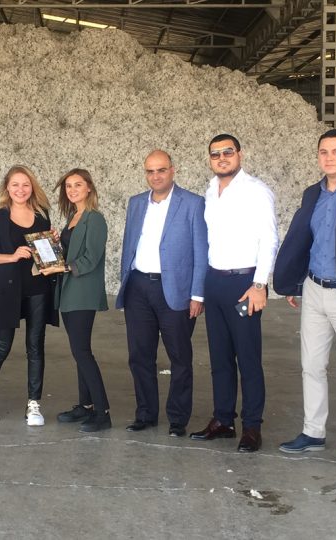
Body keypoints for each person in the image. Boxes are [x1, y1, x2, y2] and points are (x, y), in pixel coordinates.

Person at [274, 129, 336, 468]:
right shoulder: (312, 193)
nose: (329, 157)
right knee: (311, 365)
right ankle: (313, 432)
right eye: (324, 151)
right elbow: (302, 240)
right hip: (313, 289)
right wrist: (295, 282)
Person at [189, 134, 278, 453]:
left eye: (228, 152)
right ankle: (223, 420)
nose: (222, 158)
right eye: (215, 154)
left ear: (240, 154)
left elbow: (269, 239)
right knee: (220, 357)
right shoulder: (210, 190)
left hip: (244, 285)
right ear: (210, 159)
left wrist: (259, 284)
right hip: (215, 283)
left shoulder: (256, 190)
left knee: (248, 358)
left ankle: (252, 426)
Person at [115, 150, 208, 436]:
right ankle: (145, 414)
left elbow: (201, 251)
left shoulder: (193, 203)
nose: (155, 176)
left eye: (161, 170)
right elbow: (129, 244)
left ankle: (178, 419)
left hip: (175, 290)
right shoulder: (136, 203)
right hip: (138, 287)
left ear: (172, 170)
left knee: (179, 356)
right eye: (150, 171)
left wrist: (197, 294)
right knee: (139, 355)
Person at [0, 165, 58, 426]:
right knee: (2, 346)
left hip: (37, 288)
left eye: (25, 184)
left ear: (32, 187)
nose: (20, 190)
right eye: (15, 185)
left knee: (35, 347)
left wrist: (54, 242)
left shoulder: (42, 214)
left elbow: (47, 254)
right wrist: (12, 257)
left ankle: (34, 404)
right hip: (6, 290)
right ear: (7, 187)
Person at [41, 168, 111, 433]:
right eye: (68, 186)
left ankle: (103, 413)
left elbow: (91, 258)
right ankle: (86, 405)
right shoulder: (73, 217)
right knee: (79, 351)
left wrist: (64, 267)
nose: (72, 190)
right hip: (68, 290)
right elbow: (69, 254)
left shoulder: (95, 219)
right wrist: (55, 244)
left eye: (77, 185)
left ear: (89, 187)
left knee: (82, 351)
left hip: (83, 291)